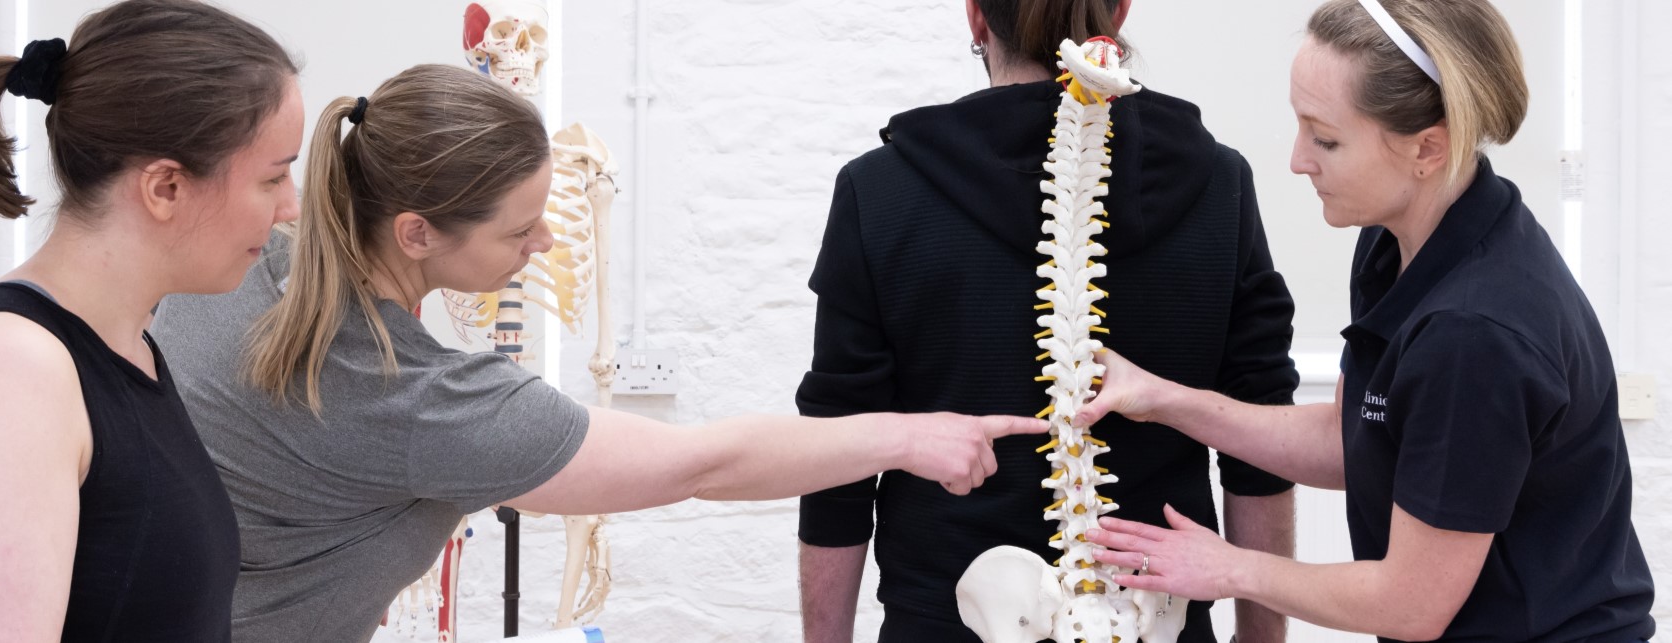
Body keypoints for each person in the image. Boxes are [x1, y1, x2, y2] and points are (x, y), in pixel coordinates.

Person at [148, 63, 1049, 643]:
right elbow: (704, 461)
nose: (543, 244)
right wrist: (906, 435)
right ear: (416, 231)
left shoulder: (243, 265)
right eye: (519, 228)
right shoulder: (415, 398)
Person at [1079, 1, 1656, 641]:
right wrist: (1164, 401)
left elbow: (1410, 604)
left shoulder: (1474, 333)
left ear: (1427, 148)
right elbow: (1349, 439)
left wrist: (1229, 568)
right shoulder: (1401, 245)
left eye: (1325, 138)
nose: (1299, 160)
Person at [794, 1, 1300, 641]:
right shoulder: (1218, 182)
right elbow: (1261, 447)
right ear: (1117, 11)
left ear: (977, 16)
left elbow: (837, 456)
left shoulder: (881, 191)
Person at [0, 0, 301, 640]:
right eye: (273, 178)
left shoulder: (130, 349)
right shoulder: (7, 373)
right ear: (166, 188)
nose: (289, 209)